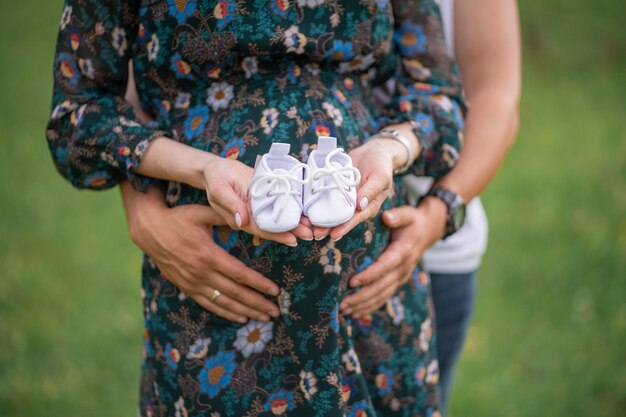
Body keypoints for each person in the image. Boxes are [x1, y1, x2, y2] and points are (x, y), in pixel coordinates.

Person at [46, 1, 468, 416]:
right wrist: (200, 169)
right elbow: (77, 115)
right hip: (211, 313)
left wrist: (390, 148)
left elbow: (439, 98)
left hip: (369, 305)